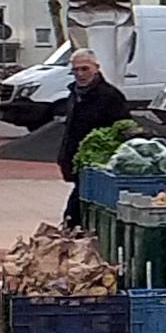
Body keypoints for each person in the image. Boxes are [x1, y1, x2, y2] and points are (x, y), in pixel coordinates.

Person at [54, 45, 132, 228]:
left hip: (98, 166)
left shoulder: (110, 96)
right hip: (78, 161)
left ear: (96, 68)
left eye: (85, 69)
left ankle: (75, 238)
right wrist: (65, 158)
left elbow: (122, 127)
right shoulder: (75, 94)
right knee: (78, 210)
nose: (80, 74)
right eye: (76, 70)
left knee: (75, 212)